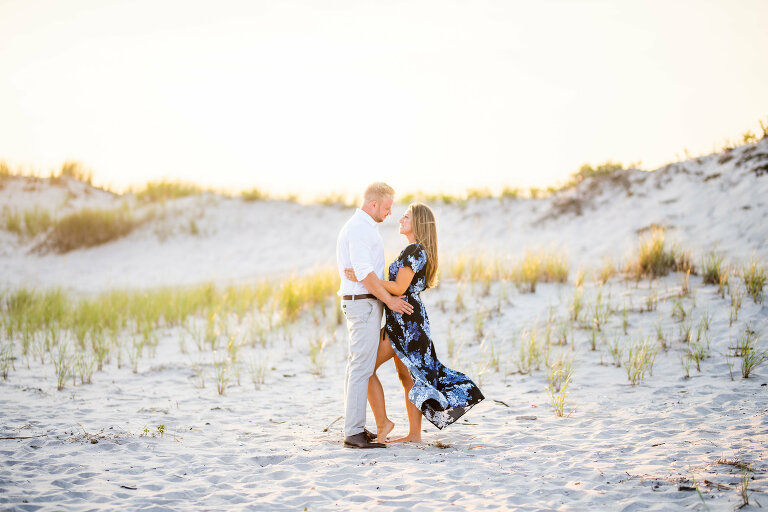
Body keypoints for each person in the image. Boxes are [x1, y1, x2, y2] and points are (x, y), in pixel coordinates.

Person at [345, 202, 484, 443]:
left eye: (406, 216)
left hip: (407, 324)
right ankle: (414, 434)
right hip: (403, 320)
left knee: (365, 368)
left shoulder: (414, 251)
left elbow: (400, 287)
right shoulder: (414, 250)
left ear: (418, 222)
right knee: (405, 377)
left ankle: (389, 424)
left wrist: (365, 277)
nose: (400, 219)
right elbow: (401, 288)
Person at [336, 182, 413, 449]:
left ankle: (356, 428)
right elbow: (365, 274)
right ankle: (354, 432)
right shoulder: (359, 229)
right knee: (361, 367)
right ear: (373, 205)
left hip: (364, 303)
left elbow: (365, 273)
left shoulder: (364, 228)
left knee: (357, 366)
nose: (390, 213)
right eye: (387, 207)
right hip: (363, 304)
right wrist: (390, 301)